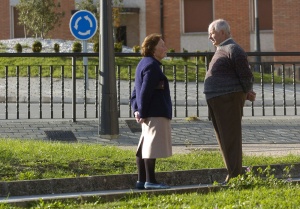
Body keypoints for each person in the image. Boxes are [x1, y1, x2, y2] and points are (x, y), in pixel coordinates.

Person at [204, 19, 256, 184]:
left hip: (227, 98)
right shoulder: (222, 49)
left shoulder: (233, 48)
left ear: (222, 32)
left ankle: (235, 176)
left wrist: (247, 90)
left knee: (230, 137)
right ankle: (234, 173)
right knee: (225, 138)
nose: (209, 37)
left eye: (211, 33)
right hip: (219, 99)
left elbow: (245, 73)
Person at [130, 33, 172, 190]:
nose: (165, 48)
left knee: (144, 147)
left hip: (147, 112)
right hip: (154, 112)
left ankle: (141, 180)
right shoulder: (152, 66)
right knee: (151, 148)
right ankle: (151, 181)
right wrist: (143, 111)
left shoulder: (143, 63)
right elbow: (145, 92)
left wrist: (137, 110)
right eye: (162, 45)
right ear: (153, 49)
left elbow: (136, 92)